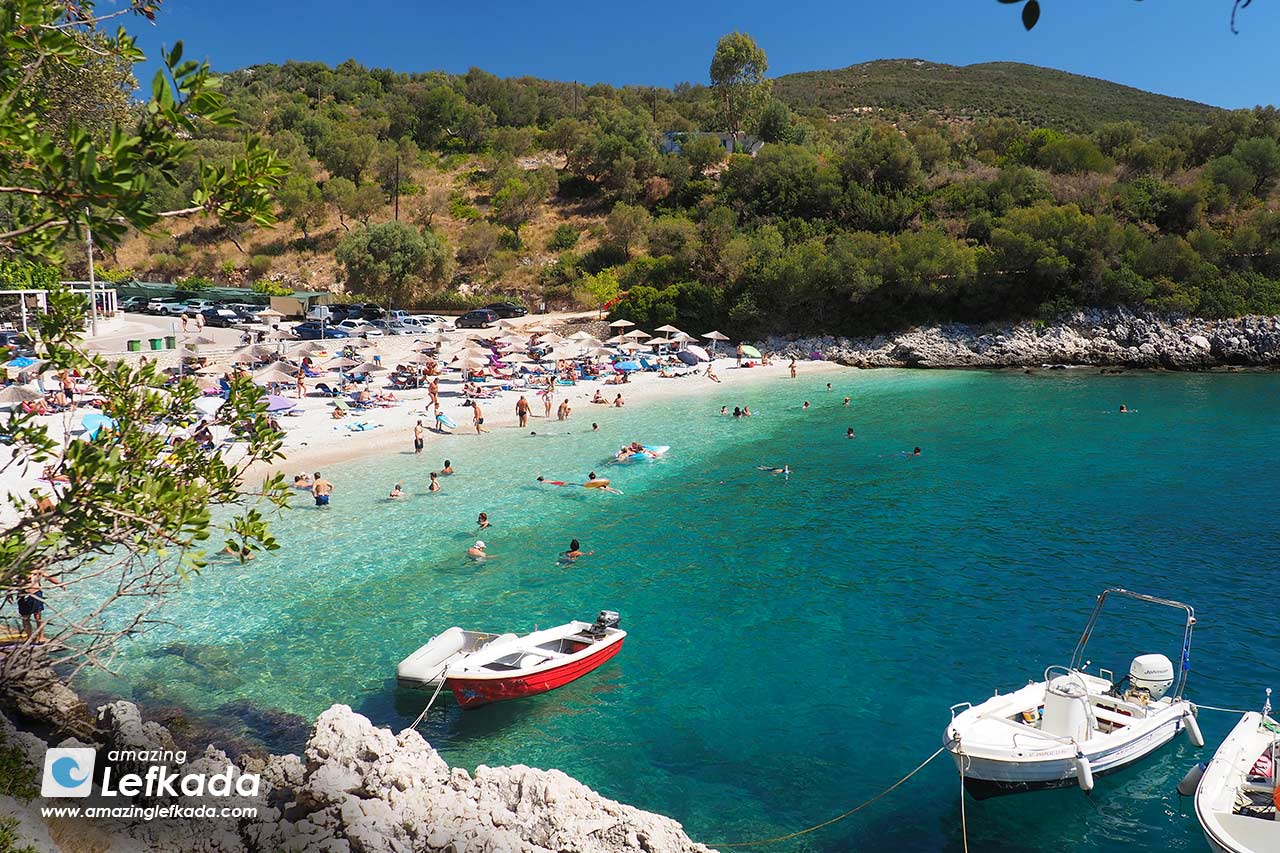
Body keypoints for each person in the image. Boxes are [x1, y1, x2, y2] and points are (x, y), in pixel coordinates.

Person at [10, 569, 65, 642]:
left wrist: (60, 584)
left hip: (36, 593)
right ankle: (30, 638)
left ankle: (41, 637)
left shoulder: (36, 569)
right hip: (23, 595)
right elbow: (10, 581)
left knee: (38, 616)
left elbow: (48, 576)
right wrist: (9, 594)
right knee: (25, 618)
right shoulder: (19, 570)